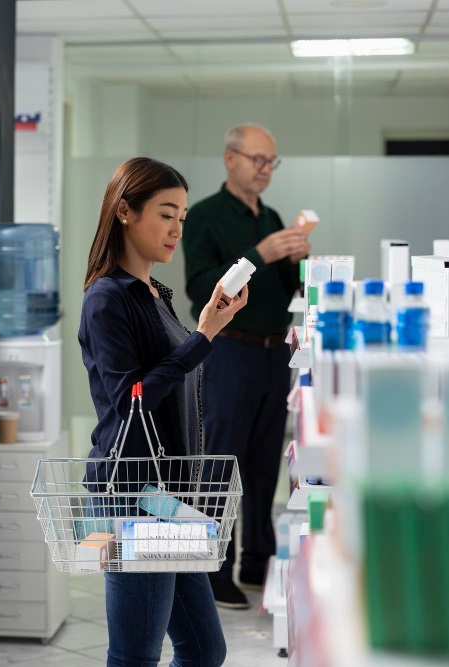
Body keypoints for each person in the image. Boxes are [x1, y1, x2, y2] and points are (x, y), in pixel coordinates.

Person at [80, 156, 248, 667]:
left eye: (183, 217)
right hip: (130, 497)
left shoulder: (156, 294)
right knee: (135, 656)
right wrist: (204, 337)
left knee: (203, 650)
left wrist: (203, 330)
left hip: (166, 500)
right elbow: (134, 398)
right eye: (166, 214)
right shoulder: (108, 300)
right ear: (125, 212)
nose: (177, 229)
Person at [182, 124, 310, 609]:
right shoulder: (205, 217)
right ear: (230, 158)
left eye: (271, 161)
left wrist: (298, 257)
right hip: (229, 351)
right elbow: (200, 288)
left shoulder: (272, 215)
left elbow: (286, 290)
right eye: (257, 159)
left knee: (262, 464)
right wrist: (260, 254)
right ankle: (213, 573)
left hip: (275, 352)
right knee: (220, 463)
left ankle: (258, 561)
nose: (264, 169)